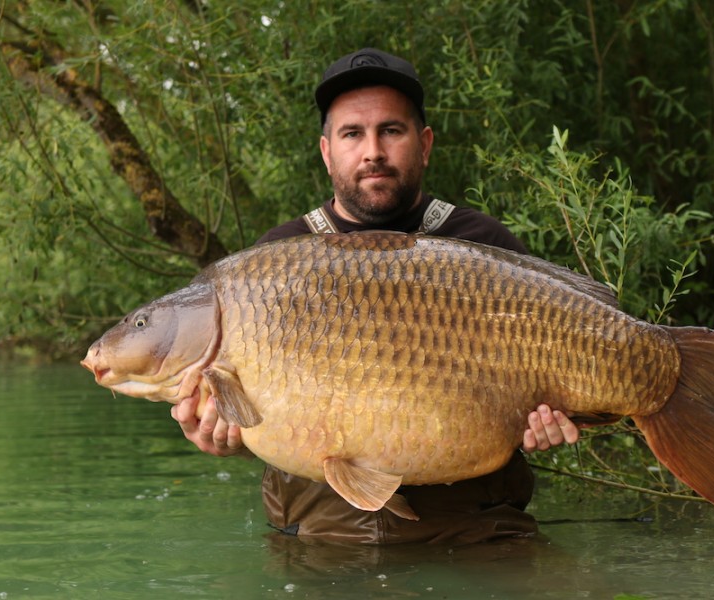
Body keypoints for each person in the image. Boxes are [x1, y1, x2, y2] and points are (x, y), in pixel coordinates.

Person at [172, 48, 579, 544]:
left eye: (391, 130)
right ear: (326, 152)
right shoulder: (271, 262)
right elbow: (271, 423)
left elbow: (558, 384)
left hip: (476, 536)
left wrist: (553, 423)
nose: (373, 152)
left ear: (424, 144)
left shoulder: (483, 245)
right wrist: (226, 436)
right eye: (352, 133)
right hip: (319, 542)